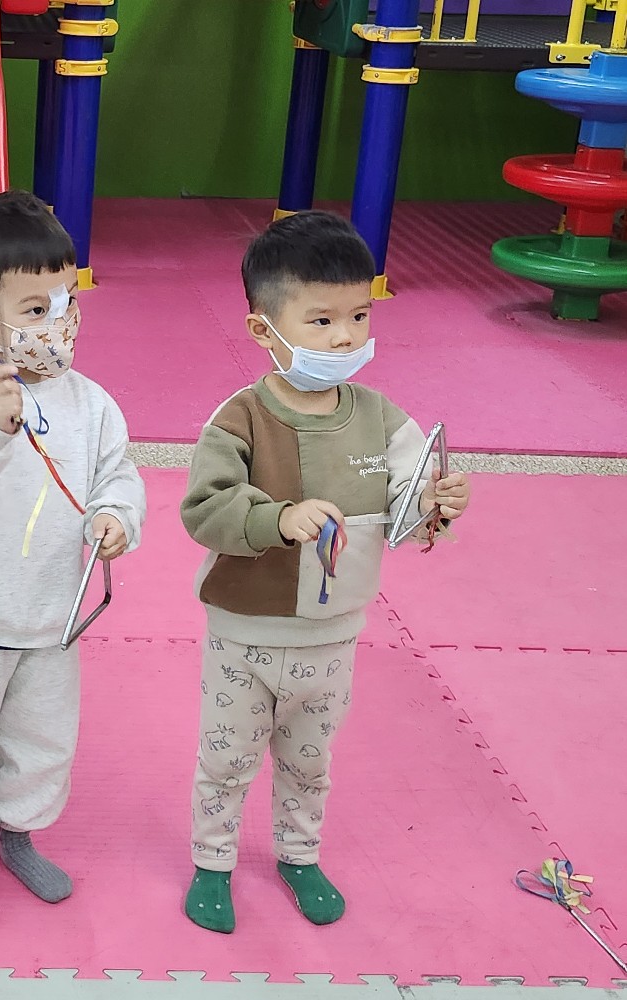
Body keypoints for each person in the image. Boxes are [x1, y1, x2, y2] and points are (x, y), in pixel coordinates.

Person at [180, 210, 471, 933]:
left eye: (358, 316)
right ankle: (211, 863)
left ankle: (299, 855)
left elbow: (407, 511)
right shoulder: (239, 418)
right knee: (226, 760)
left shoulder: (381, 417)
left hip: (333, 636)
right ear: (263, 329)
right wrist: (277, 519)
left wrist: (437, 504)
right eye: (320, 321)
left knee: (309, 763)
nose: (345, 337)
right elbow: (204, 510)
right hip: (245, 633)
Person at [0, 190, 146, 927]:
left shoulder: (92, 403)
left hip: (50, 621)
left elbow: (117, 473)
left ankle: (19, 836)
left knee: (41, 745)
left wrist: (116, 516)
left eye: (67, 301)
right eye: (36, 309)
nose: (60, 321)